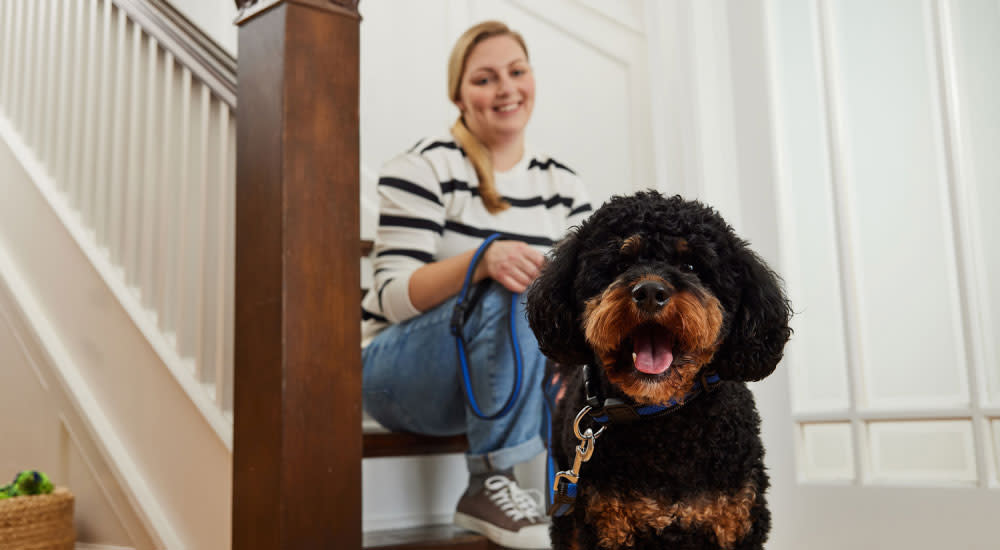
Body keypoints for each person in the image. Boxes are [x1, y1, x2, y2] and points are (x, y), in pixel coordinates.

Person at [360, 20, 591, 550]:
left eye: (517, 71)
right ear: (458, 96)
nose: (506, 89)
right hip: (400, 377)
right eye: (485, 79)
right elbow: (391, 297)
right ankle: (491, 481)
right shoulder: (421, 168)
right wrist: (482, 260)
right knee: (515, 281)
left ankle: (574, 494)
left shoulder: (565, 186)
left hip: (517, 376)